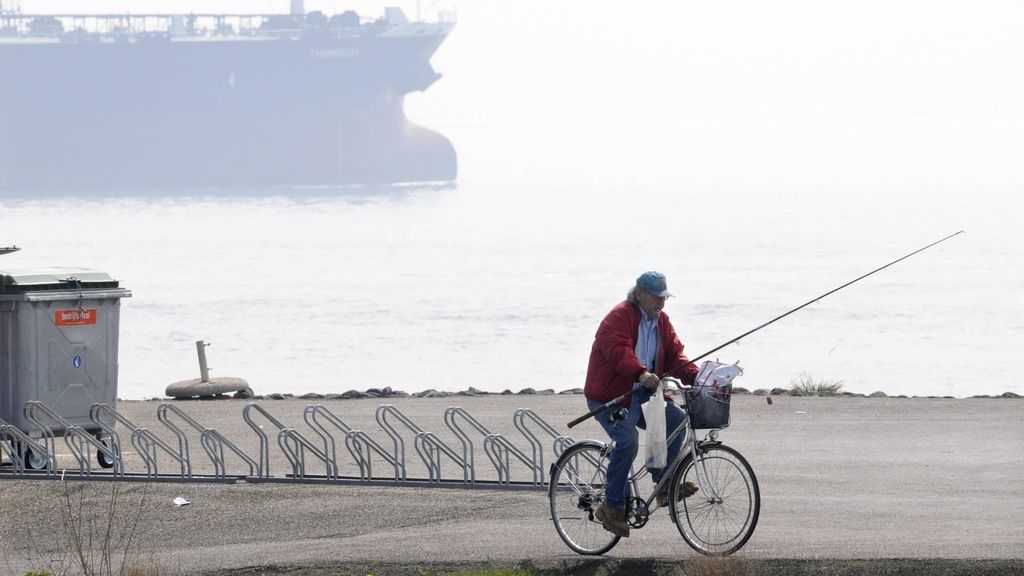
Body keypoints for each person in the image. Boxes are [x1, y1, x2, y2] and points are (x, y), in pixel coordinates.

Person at [583, 271, 700, 538]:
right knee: (628, 441)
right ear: (639, 295)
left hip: (643, 392)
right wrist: (641, 373)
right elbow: (618, 352)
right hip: (611, 395)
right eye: (656, 297)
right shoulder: (619, 317)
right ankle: (611, 507)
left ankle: (663, 482)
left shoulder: (661, 321)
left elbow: (674, 355)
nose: (661, 303)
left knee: (676, 421)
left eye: (664, 297)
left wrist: (697, 375)